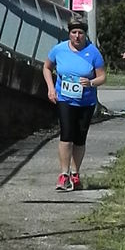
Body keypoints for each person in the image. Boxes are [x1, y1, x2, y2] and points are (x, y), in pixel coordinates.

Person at [43, 16, 106, 191]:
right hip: (65, 99)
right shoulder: (59, 50)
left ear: (85, 34)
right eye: (74, 33)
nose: (77, 36)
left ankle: (75, 173)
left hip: (86, 101)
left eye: (80, 33)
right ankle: (64, 175)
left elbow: (102, 76)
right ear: (69, 34)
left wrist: (91, 83)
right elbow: (47, 67)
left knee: (79, 138)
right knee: (66, 135)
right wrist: (50, 88)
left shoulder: (93, 53)